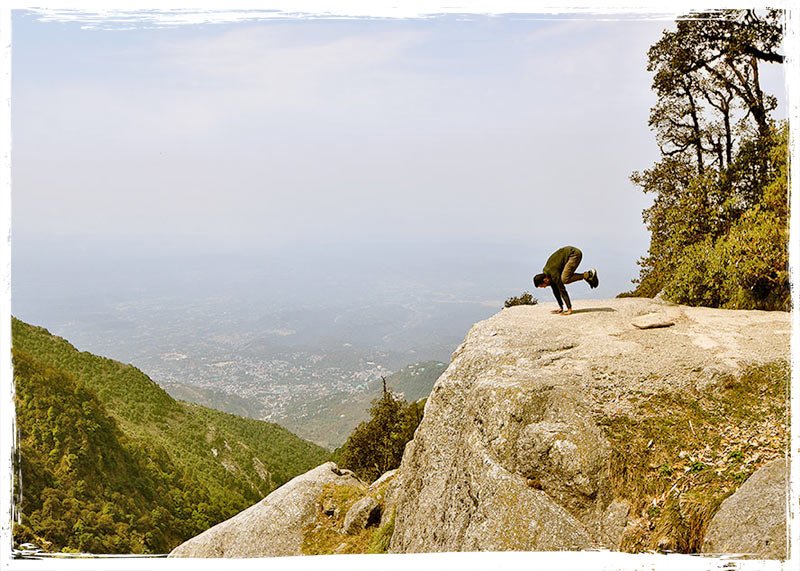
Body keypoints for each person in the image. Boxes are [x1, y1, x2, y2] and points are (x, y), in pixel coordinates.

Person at [533, 245, 598, 316]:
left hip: (573, 254)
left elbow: (562, 290)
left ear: (545, 280)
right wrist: (561, 307)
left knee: (564, 279)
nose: (544, 287)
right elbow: (555, 290)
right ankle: (588, 276)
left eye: (542, 286)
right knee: (562, 279)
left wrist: (569, 309)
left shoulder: (553, 274)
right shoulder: (548, 275)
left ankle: (588, 275)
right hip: (569, 254)